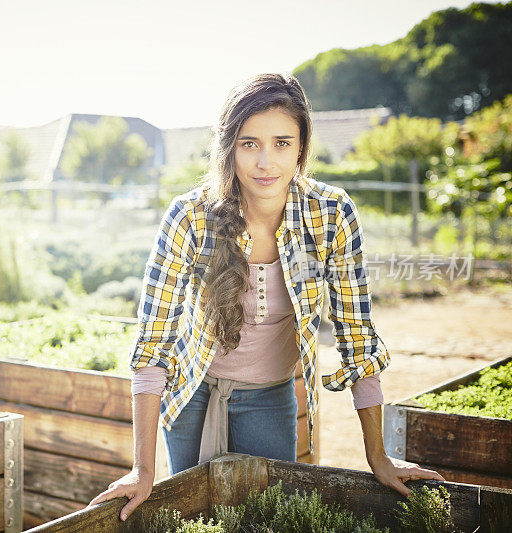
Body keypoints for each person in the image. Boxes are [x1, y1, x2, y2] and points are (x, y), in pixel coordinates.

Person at [88, 73, 445, 522]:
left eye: (281, 143)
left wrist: (378, 456)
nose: (265, 162)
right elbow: (152, 344)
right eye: (249, 143)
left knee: (268, 519)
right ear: (229, 149)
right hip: (192, 395)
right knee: (198, 520)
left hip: (271, 395)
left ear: (301, 148)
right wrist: (142, 470)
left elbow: (359, 337)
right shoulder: (190, 216)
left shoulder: (331, 214)